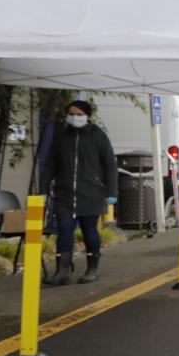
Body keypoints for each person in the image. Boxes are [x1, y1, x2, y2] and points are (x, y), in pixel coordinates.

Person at [41, 100, 117, 284]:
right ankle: (62, 271)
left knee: (89, 230)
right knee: (64, 230)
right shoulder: (61, 135)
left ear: (87, 116)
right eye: (72, 114)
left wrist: (111, 192)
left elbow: (109, 165)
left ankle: (92, 268)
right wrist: (43, 189)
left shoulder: (97, 135)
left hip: (90, 193)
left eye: (79, 114)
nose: (75, 117)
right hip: (65, 194)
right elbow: (50, 164)